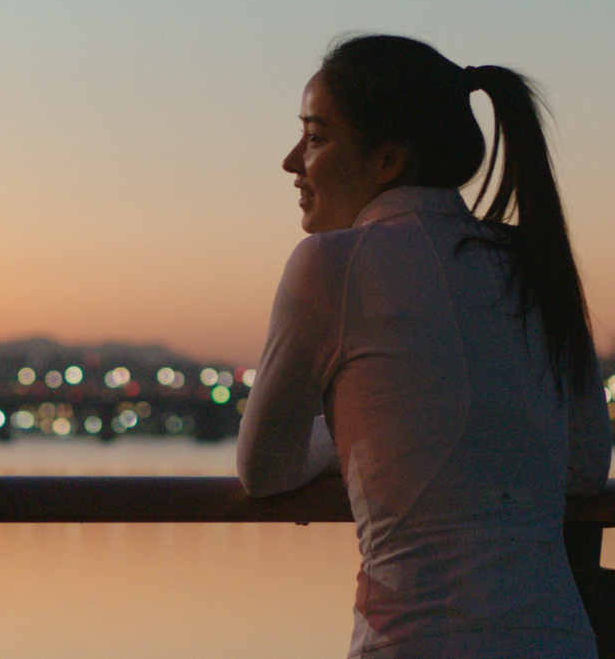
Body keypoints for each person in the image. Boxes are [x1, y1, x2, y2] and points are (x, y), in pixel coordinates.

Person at [236, 34, 612, 658]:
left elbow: (263, 470)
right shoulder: (533, 262)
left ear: (387, 160)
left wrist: (355, 445)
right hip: (561, 639)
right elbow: (582, 467)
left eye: (316, 136)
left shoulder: (333, 266)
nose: (291, 161)